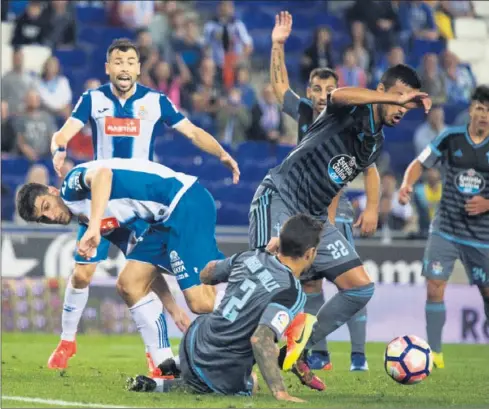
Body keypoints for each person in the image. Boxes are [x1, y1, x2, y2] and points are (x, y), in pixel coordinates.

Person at [251, 14, 432, 389]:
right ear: (383, 90)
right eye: (399, 100)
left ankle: (298, 348)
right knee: (276, 279)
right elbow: (339, 95)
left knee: (361, 286)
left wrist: (340, 218)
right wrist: (277, 44)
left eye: (407, 105)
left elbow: (342, 180)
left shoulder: (375, 141)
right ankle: (237, 357)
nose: (401, 108)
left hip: (315, 216)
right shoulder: (349, 106)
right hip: (282, 197)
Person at [46, 38, 240, 371]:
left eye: (130, 61)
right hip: (102, 202)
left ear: (138, 68)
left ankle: (159, 356)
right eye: (117, 62)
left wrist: (221, 152)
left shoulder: (155, 101)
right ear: (108, 68)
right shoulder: (93, 100)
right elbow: (65, 131)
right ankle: (67, 341)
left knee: (140, 277)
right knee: (82, 273)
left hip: (140, 204)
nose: (123, 67)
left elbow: (191, 132)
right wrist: (59, 146)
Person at [16, 157, 228, 376]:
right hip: (162, 222)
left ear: (52, 190)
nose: (51, 217)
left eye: (46, 206)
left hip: (183, 202)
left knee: (200, 302)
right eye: (43, 218)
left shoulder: (71, 186)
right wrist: (173, 309)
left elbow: (103, 174)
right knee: (129, 283)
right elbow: (148, 268)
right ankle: (164, 366)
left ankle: (250, 311)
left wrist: (95, 227)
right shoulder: (106, 217)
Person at [269, 11, 380, 372]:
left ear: (338, 93)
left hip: (333, 212)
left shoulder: (347, 119)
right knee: (313, 287)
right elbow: (279, 88)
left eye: (328, 90)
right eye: (315, 89)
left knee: (349, 281)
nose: (320, 96)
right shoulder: (303, 113)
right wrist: (277, 45)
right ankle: (318, 354)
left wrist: (372, 207)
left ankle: (359, 357)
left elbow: (370, 166)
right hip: (305, 207)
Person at [127, 214, 323, 402]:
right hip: (218, 365)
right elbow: (260, 339)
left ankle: (174, 365)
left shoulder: (251, 255)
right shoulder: (292, 292)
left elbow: (206, 275)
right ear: (310, 253)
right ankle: (161, 385)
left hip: (193, 340)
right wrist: (281, 393)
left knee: (228, 345)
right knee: (250, 383)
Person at [398, 85, 489, 369]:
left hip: (482, 235)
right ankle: (434, 353)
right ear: (470, 110)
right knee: (435, 286)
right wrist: (406, 183)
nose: (484, 115)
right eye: (480, 108)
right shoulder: (451, 137)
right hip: (446, 228)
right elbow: (420, 162)